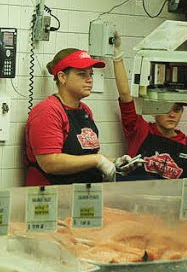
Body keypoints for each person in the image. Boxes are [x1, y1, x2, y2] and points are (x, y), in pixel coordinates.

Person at [24, 48, 127, 186]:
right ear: (62, 77)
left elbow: (84, 157)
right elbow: (49, 162)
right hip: (53, 197)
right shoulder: (48, 111)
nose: (89, 79)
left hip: (84, 195)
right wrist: (98, 160)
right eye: (81, 74)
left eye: (91, 74)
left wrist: (114, 162)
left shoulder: (85, 110)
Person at [109, 33, 187, 180]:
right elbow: (126, 96)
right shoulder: (140, 131)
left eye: (177, 109)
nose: (172, 115)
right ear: (153, 111)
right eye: (166, 108)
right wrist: (117, 56)